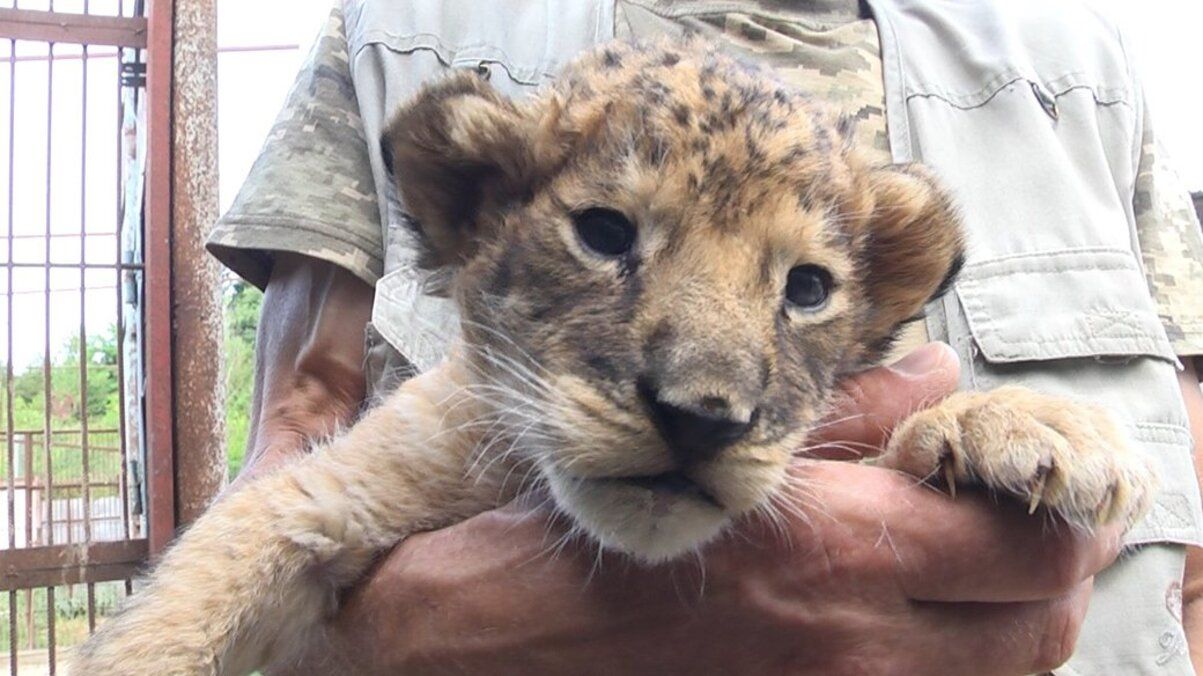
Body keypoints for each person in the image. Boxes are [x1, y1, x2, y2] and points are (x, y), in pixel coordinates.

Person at [207, 0, 1203, 673]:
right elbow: (296, 451)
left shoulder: (1088, 71)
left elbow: (1193, 572)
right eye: (602, 230)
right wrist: (396, 637)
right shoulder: (401, 27)